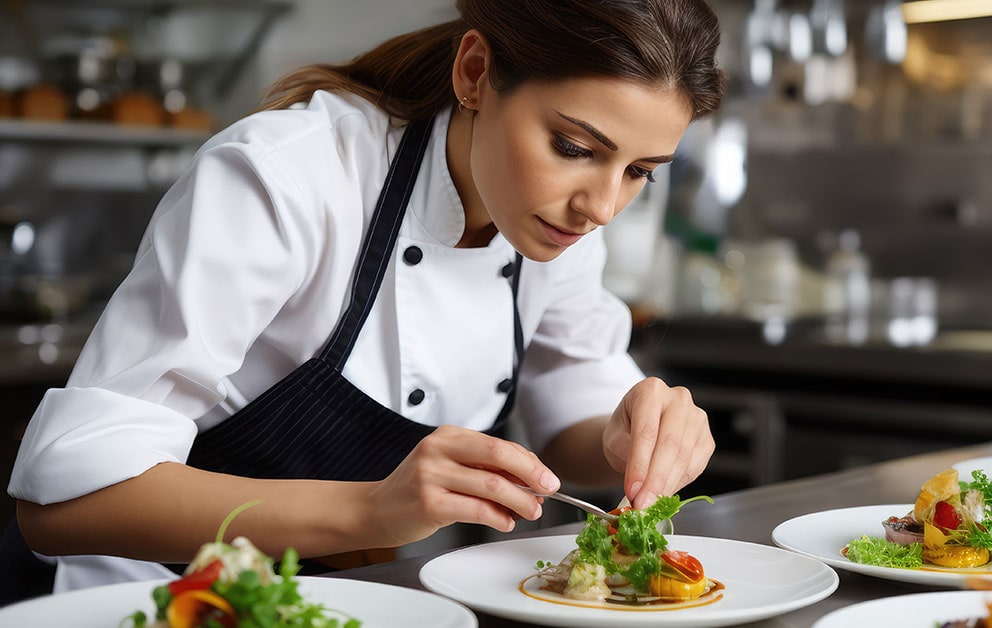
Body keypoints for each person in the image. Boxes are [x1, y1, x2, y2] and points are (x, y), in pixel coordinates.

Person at [2, 0, 724, 602]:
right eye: (572, 146)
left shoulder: (554, 223)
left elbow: (572, 401)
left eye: (641, 173)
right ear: (476, 72)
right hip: (144, 600)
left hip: (338, 605)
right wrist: (370, 510)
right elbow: (65, 506)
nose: (601, 205)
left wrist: (622, 435)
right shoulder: (287, 178)